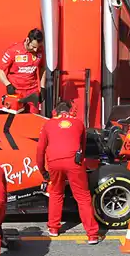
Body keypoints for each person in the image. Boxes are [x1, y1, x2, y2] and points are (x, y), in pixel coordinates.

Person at [35, 100, 100, 243]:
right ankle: (92, 234)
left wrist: (42, 171)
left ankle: (53, 228)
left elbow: (40, 150)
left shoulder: (48, 124)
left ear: (55, 112)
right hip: (74, 162)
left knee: (56, 193)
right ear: (71, 111)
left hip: (54, 162)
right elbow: (82, 147)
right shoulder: (79, 123)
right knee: (83, 197)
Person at [0, 28, 45, 114]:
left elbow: (42, 68)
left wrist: (42, 87)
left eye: (38, 47)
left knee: (33, 118)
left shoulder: (40, 51)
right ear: (27, 40)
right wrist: (8, 85)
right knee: (16, 119)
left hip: (32, 91)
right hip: (16, 91)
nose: (35, 50)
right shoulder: (13, 50)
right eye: (33, 47)